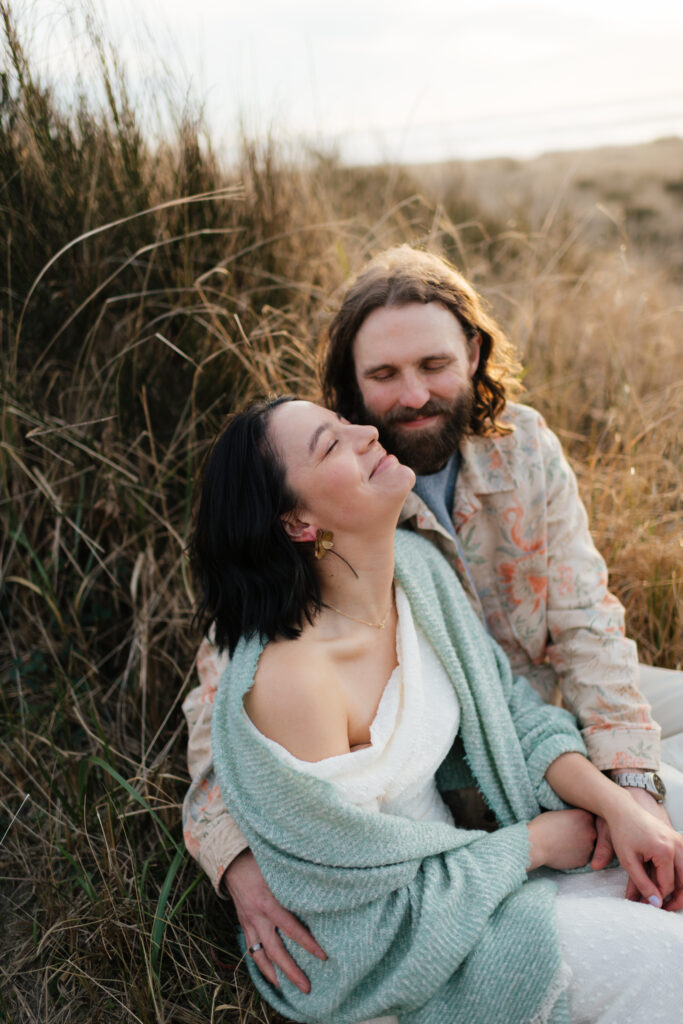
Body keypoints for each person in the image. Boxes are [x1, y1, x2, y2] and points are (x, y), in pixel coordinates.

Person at [183, 245, 683, 993]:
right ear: (350, 385)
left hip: (532, 705)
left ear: (473, 353)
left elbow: (586, 624)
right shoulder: (348, 495)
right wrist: (243, 861)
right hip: (451, 772)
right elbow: (224, 705)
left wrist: (628, 789)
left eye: (433, 364)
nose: (413, 395)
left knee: (662, 788)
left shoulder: (522, 447)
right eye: (383, 376)